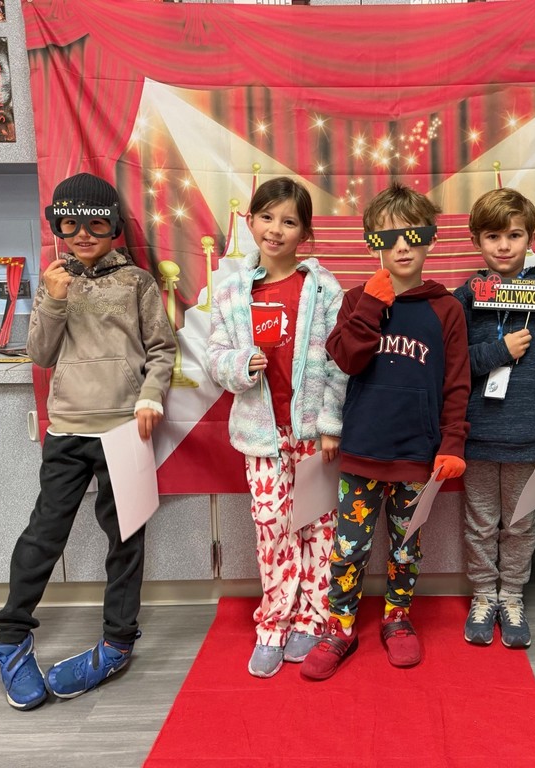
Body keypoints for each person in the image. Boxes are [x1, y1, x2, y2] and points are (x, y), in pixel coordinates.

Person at [0, 172, 176, 709]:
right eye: (71, 223)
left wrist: (150, 397)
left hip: (125, 429)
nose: (84, 234)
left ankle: (118, 641)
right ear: (57, 226)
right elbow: (41, 356)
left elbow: (161, 350)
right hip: (68, 430)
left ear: (114, 225)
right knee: (43, 535)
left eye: (96, 222)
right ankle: (10, 640)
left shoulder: (139, 283)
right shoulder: (56, 281)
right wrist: (51, 300)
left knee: (125, 540)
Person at [301, 182, 471, 681]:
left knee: (405, 545)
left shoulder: (447, 309)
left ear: (429, 240)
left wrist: (453, 442)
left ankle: (398, 619)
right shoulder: (356, 299)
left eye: (412, 235)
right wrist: (373, 303)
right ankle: (341, 625)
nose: (401, 246)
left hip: (418, 455)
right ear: (373, 241)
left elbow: (457, 383)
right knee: (348, 546)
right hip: (362, 450)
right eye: (389, 236)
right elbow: (347, 359)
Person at [206, 177, 347, 679]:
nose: (276, 229)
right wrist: (240, 364)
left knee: (317, 527)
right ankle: (273, 621)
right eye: (267, 217)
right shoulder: (232, 291)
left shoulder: (324, 288)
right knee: (271, 527)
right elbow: (215, 355)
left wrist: (330, 424)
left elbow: (340, 362)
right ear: (250, 221)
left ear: (304, 232)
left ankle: (313, 615)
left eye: (289, 221)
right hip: (261, 434)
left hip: (312, 433)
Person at [453, 188, 535, 649]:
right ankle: (483, 596)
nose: (504, 245)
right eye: (493, 236)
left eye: (514, 235)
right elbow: (451, 365)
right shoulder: (464, 299)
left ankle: (511, 596)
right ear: (476, 240)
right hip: (479, 436)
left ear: (530, 238)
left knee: (521, 524)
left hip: (532, 436)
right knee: (481, 523)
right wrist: (497, 352)